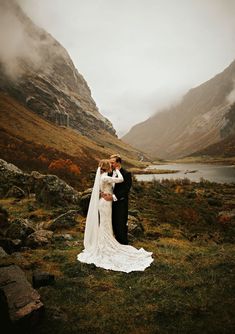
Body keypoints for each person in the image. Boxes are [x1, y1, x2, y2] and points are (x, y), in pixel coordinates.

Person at [77, 159, 153, 273]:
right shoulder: (105, 177)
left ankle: (106, 241)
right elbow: (120, 179)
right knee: (105, 223)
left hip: (105, 202)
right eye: (110, 165)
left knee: (105, 223)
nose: (112, 166)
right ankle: (105, 244)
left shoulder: (102, 176)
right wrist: (117, 171)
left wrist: (105, 193)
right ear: (107, 167)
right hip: (105, 204)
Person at [104, 154, 132, 245]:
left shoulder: (126, 174)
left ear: (118, 163)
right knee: (111, 223)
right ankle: (113, 243)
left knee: (120, 224)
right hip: (108, 203)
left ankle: (123, 244)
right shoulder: (109, 173)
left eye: (112, 162)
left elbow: (126, 190)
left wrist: (113, 197)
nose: (110, 164)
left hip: (121, 203)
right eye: (110, 162)